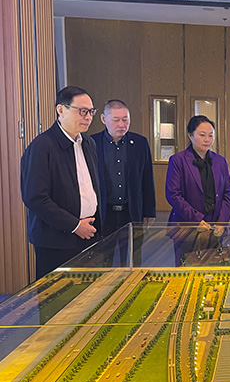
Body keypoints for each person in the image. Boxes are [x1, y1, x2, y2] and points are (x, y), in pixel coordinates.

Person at [21, 86, 101, 280]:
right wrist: (75, 225)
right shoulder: (42, 146)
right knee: (57, 296)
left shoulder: (88, 143)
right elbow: (35, 198)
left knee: (87, 294)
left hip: (88, 234)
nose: (88, 117)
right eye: (82, 111)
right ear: (61, 110)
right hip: (56, 241)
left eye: (91, 111)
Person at [91, 100, 156, 265]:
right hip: (104, 212)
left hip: (131, 210)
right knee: (104, 258)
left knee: (134, 258)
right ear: (104, 119)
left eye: (125, 119)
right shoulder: (91, 143)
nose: (122, 124)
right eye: (116, 120)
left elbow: (147, 179)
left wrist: (149, 211)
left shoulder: (140, 143)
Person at [165, 115, 230, 265]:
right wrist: (196, 220)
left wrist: (222, 221)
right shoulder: (178, 160)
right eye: (202, 135)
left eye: (211, 135)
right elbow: (173, 194)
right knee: (186, 269)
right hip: (187, 227)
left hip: (215, 227)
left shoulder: (220, 161)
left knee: (214, 268)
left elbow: (228, 193)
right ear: (190, 135)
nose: (207, 139)